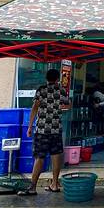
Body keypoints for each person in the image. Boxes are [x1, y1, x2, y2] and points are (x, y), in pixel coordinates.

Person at [19, 68, 69, 196]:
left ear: (46, 78)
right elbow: (68, 105)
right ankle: (55, 184)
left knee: (39, 158)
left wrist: (30, 126)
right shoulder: (61, 90)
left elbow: (35, 107)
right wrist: (57, 108)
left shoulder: (41, 90)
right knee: (56, 156)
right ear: (57, 79)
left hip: (42, 129)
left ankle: (33, 187)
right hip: (56, 129)